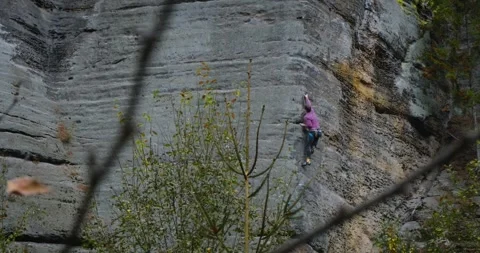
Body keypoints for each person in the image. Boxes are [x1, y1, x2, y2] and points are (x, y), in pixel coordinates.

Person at [297, 93, 322, 166]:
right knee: (314, 142)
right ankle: (313, 147)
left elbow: (309, 125)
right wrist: (306, 98)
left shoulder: (306, 117)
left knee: (308, 146)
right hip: (319, 132)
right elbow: (309, 104)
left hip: (312, 133)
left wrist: (303, 125)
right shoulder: (312, 111)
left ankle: (308, 160)